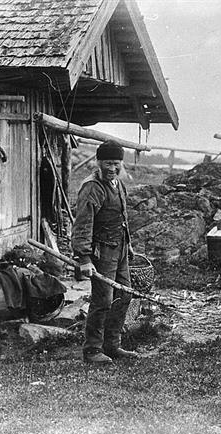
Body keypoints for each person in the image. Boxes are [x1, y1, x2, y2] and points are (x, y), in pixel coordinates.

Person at [71, 140, 138, 364]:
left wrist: (127, 244)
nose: (112, 168)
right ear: (99, 162)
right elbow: (83, 224)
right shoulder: (92, 187)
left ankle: (112, 345)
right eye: (108, 163)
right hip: (102, 253)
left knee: (124, 295)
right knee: (103, 300)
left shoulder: (118, 184)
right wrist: (84, 258)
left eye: (116, 163)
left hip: (119, 250)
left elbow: (122, 216)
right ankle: (92, 349)